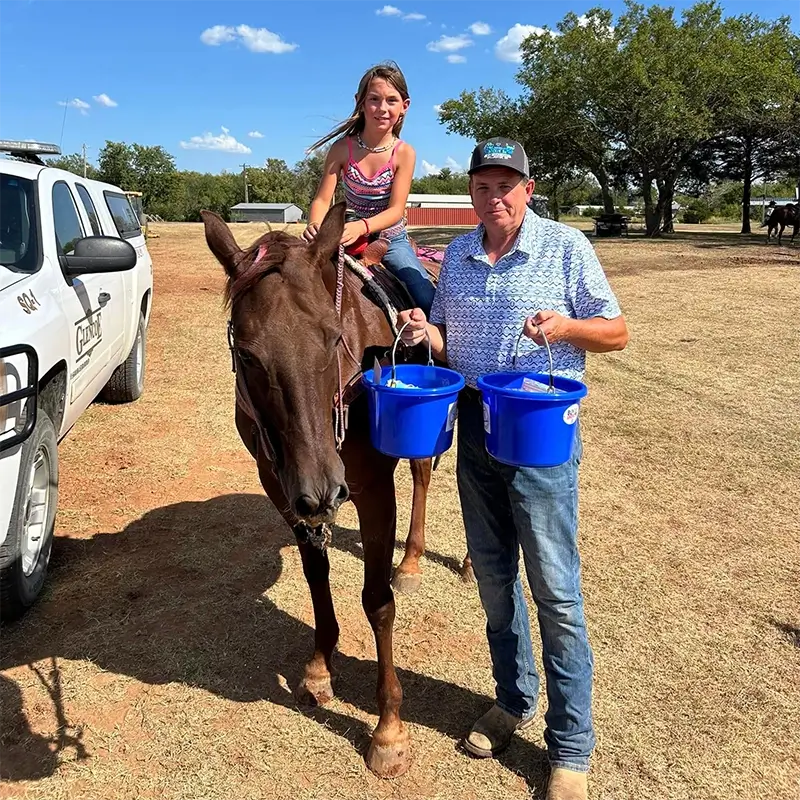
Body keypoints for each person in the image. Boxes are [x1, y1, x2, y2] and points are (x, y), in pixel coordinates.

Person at [397, 138, 629, 800]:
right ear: (471, 192)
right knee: (495, 580)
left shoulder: (564, 247)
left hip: (537, 433)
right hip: (476, 427)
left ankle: (571, 750)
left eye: (507, 185)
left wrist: (566, 327)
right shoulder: (460, 259)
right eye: (483, 185)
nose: (494, 196)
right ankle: (513, 698)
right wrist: (423, 329)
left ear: (528, 190)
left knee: (554, 589)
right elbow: (447, 338)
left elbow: (617, 331)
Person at [302, 61, 435, 315]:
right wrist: (315, 226)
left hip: (390, 239)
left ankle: (438, 351)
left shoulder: (404, 153)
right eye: (374, 99)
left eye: (391, 101)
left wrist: (361, 226)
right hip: (345, 235)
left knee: (425, 294)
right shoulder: (342, 149)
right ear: (360, 102)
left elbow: (396, 210)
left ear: (404, 107)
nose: (382, 108)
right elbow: (321, 199)